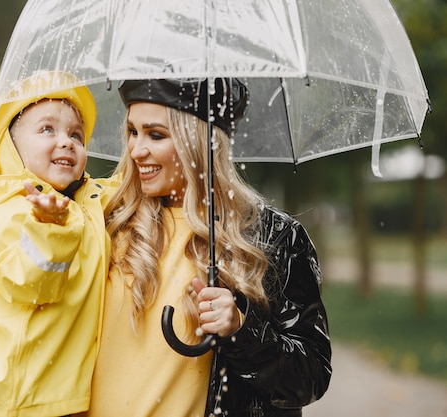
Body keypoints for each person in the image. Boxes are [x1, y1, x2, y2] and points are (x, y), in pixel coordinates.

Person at [80, 78, 332, 417]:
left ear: (199, 142)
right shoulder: (102, 222)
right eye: (132, 131)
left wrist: (242, 331)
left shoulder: (272, 239)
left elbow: (309, 378)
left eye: (156, 135)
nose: (137, 150)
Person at [0, 71, 116, 417]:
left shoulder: (84, 205)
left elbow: (121, 188)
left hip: (51, 400)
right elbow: (31, 283)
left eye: (76, 135)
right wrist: (48, 229)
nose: (66, 141)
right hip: (1, 402)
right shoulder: (8, 209)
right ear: (12, 147)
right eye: (47, 129)